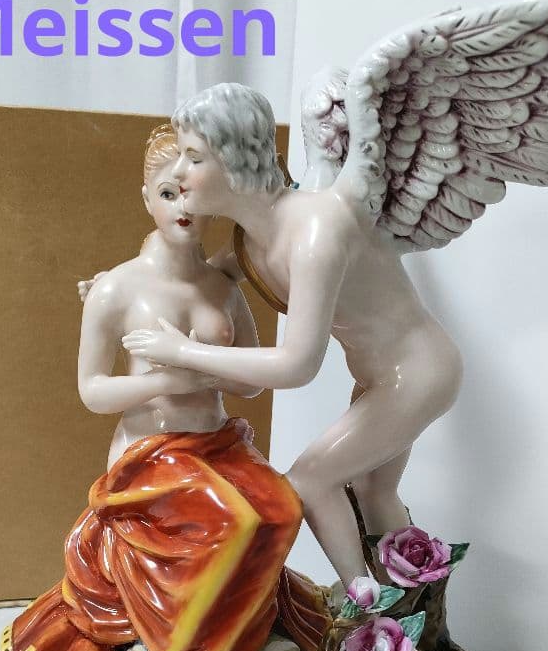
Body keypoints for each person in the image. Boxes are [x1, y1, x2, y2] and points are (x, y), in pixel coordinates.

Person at [0, 125, 306, 651]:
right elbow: (92, 390)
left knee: (282, 510)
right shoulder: (117, 287)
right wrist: (164, 381)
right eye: (167, 193)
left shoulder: (222, 287)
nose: (182, 207)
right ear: (146, 198)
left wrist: (201, 367)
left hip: (217, 444)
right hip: (151, 452)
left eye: (193, 194)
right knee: (233, 520)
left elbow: (251, 383)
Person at [122, 84, 462, 588]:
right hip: (381, 379)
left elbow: (296, 365)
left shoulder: (314, 232)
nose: (180, 173)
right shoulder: (255, 238)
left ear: (232, 158)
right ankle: (411, 604)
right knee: (372, 491)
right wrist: (122, 285)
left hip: (417, 374)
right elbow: (203, 279)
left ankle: (363, 604)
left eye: (193, 157)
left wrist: (186, 351)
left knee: (309, 479)